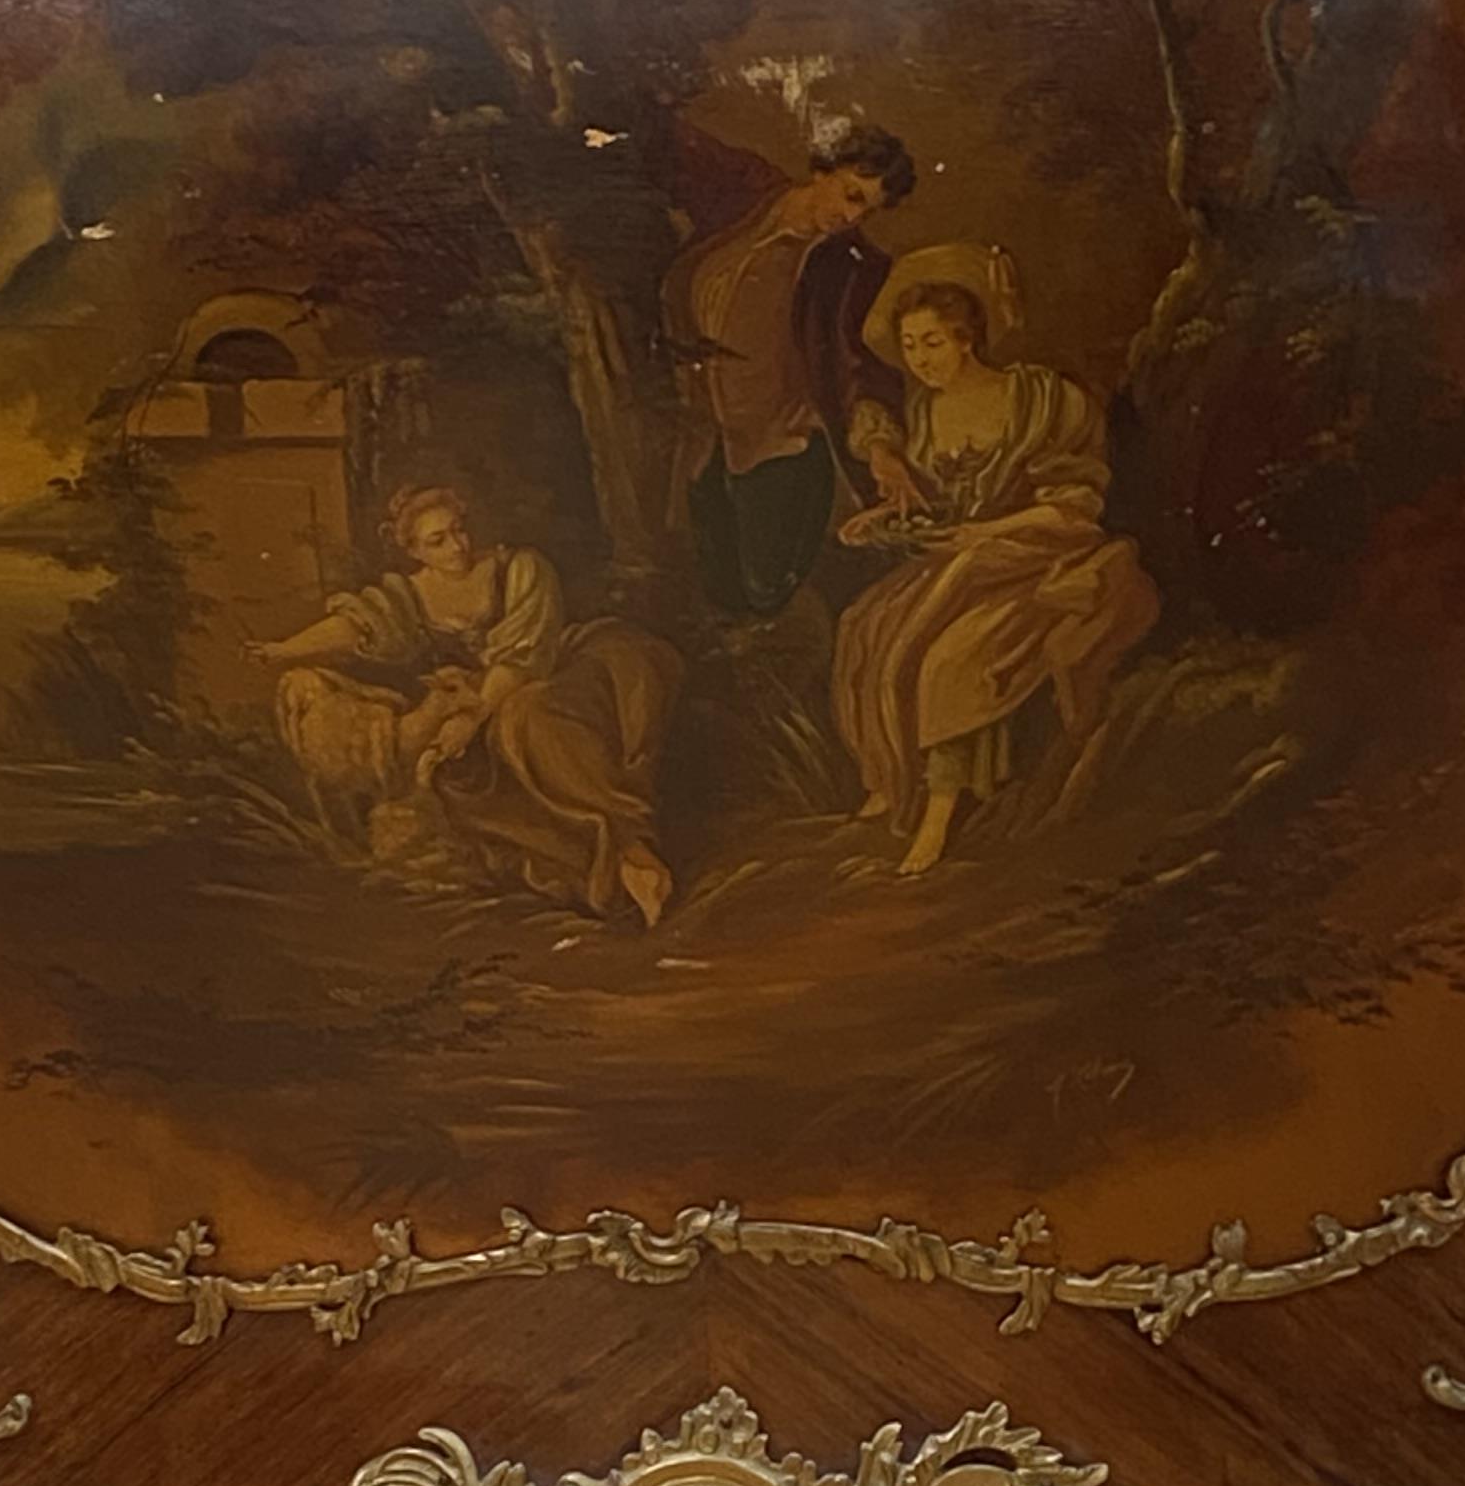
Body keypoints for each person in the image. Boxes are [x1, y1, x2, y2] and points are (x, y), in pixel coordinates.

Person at [830, 249, 1160, 876]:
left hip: (1039, 555)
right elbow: (941, 510)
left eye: (932, 341)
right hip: (964, 558)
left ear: (967, 336)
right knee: (864, 627)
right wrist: (883, 521)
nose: (920, 359)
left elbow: (1073, 508)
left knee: (952, 659)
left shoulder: (1041, 399)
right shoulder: (924, 412)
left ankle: (936, 819)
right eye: (909, 346)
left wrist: (985, 536)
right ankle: (892, 778)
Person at [260, 484, 681, 926]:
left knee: (527, 719)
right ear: (414, 551)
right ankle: (589, 867)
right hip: (484, 696)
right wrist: (284, 650)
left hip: (564, 672)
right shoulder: (413, 594)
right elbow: (358, 624)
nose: (457, 546)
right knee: (460, 773)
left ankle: (629, 844)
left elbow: (521, 661)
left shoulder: (520, 570)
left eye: (458, 530)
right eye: (437, 540)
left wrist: (473, 715)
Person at [661, 125, 916, 622]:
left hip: (784, 442)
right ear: (823, 169)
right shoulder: (745, 190)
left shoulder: (852, 267)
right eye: (851, 195)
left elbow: (857, 360)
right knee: (715, 590)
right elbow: (664, 144)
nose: (853, 216)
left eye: (867, 209)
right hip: (705, 436)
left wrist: (881, 446)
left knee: (766, 591)